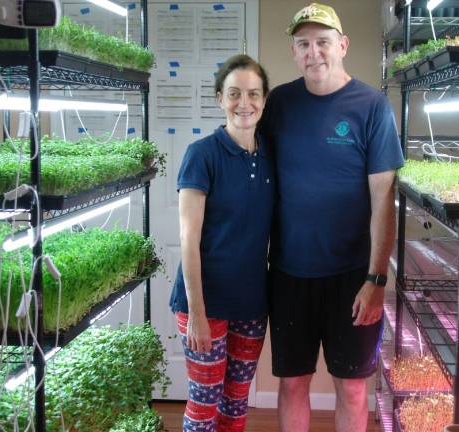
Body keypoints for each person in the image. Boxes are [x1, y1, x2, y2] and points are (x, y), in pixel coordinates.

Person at [259, 3, 404, 432]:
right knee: (292, 384)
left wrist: (377, 281)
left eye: (323, 42)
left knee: (354, 387)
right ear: (293, 50)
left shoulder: (372, 106)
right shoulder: (278, 104)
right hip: (288, 274)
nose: (314, 52)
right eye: (303, 43)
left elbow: (384, 200)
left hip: (353, 278)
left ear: (342, 45)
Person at [170, 54, 273, 432]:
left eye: (252, 94)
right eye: (234, 94)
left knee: (236, 401)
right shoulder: (202, 155)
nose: (243, 103)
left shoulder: (270, 157)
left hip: (250, 304)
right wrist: (197, 311)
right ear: (219, 99)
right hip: (204, 304)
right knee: (205, 400)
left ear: (264, 101)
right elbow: (188, 237)